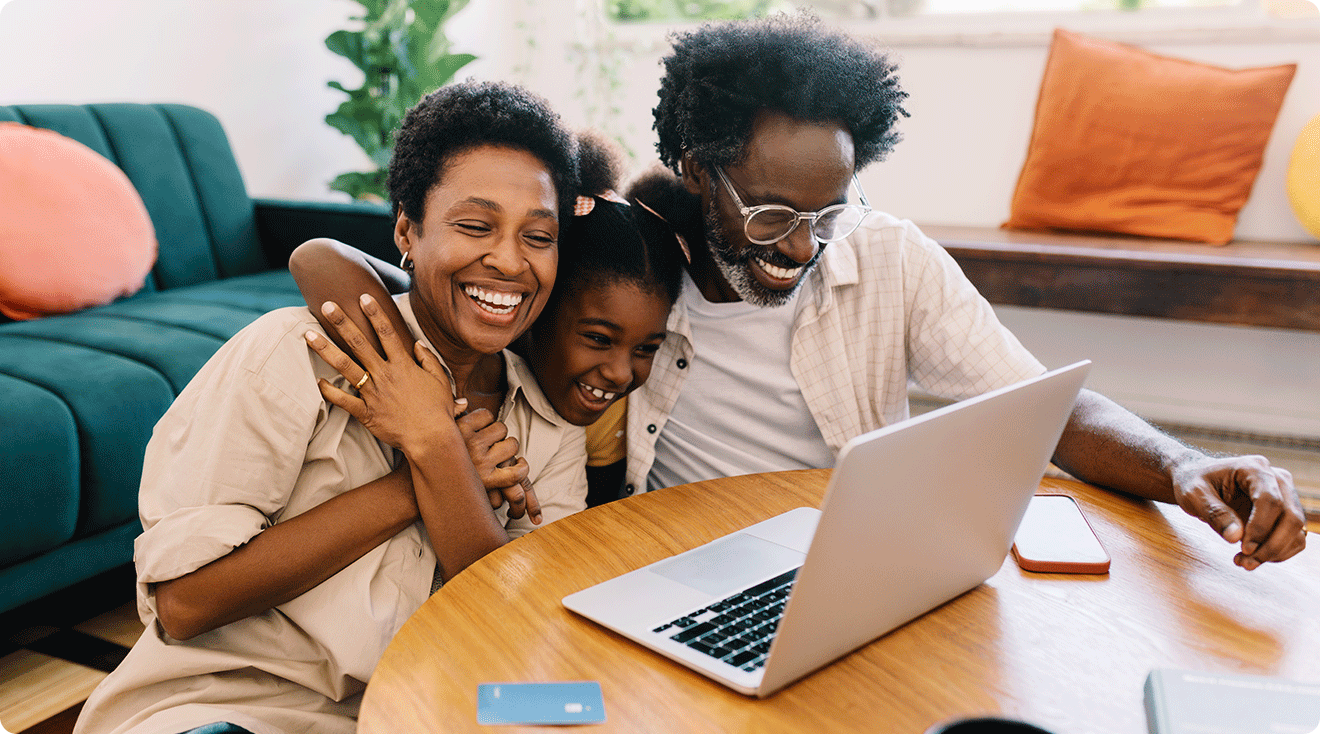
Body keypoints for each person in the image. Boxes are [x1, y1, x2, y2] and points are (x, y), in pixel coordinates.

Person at [622, 13, 1306, 569]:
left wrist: (1186, 462)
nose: (801, 249)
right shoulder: (628, 272)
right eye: (770, 216)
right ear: (697, 172)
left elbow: (1046, 409)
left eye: (826, 215)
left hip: (849, 566)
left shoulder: (888, 254)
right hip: (683, 561)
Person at [74, 80, 584, 734]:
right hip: (227, 713)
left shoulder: (545, 431)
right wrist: (421, 471)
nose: (511, 261)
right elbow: (183, 604)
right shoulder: (289, 355)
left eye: (538, 237)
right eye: (475, 226)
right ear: (407, 227)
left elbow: (515, 625)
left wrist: (436, 446)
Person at [290, 133, 686, 507]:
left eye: (647, 348)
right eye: (599, 338)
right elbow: (317, 257)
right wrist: (430, 408)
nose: (620, 373)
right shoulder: (477, 321)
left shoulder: (602, 413)